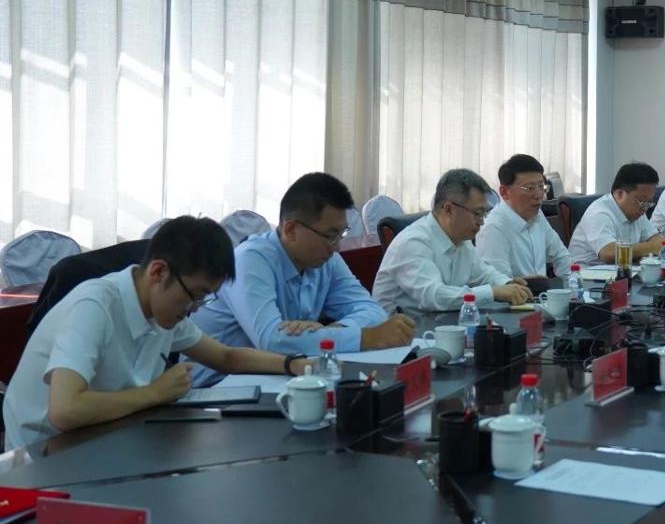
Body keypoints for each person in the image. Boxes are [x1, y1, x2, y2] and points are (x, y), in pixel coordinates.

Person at [3, 217, 315, 451]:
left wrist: (294, 364)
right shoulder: (95, 306)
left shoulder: (163, 309)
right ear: (158, 271)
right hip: (45, 454)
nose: (194, 308)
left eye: (203, 299)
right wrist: (156, 393)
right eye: (194, 295)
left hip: (105, 435)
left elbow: (226, 357)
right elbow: (65, 410)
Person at [190, 173, 413, 386]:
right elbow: (272, 341)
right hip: (215, 391)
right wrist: (365, 338)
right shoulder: (250, 260)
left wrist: (333, 330)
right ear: (290, 229)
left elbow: (373, 311)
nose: (336, 246)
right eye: (329, 235)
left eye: (341, 234)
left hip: (279, 379)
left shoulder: (326, 259)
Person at [372, 169, 534, 312]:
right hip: (403, 333)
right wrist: (493, 292)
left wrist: (506, 284)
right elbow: (433, 296)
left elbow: (483, 273)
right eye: (477, 213)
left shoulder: (462, 240)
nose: (482, 222)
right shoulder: (413, 242)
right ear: (449, 209)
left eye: (484, 213)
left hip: (440, 325)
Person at [476, 154, 572, 280]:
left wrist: (575, 282)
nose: (538, 195)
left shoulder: (537, 215)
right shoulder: (493, 229)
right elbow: (501, 283)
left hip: (542, 291)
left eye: (541, 187)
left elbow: (562, 257)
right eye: (529, 188)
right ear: (504, 192)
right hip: (517, 293)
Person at [567, 162, 663, 266]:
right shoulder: (599, 213)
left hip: (619, 271)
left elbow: (657, 239)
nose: (645, 209)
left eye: (649, 202)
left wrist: (653, 245)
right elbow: (609, 253)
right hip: (584, 273)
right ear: (619, 194)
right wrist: (650, 247)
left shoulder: (638, 211)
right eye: (642, 201)